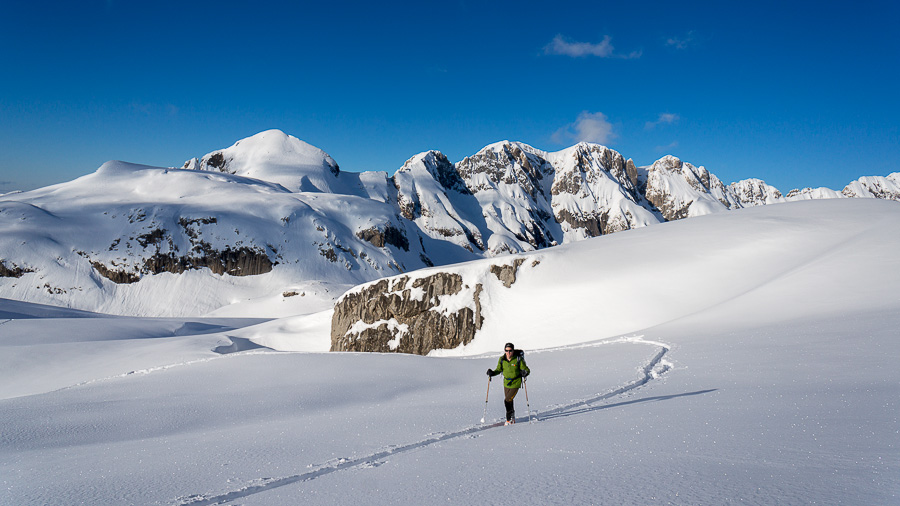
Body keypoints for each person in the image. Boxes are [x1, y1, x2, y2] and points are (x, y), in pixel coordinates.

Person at [486, 342, 530, 424]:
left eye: (510, 350)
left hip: (516, 382)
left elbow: (527, 370)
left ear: (513, 351)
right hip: (506, 383)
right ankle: (512, 417)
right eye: (506, 350)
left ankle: (508, 419)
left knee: (507, 400)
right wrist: (492, 373)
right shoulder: (502, 359)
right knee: (509, 400)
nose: (508, 352)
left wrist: (525, 373)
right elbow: (498, 370)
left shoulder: (518, 359)